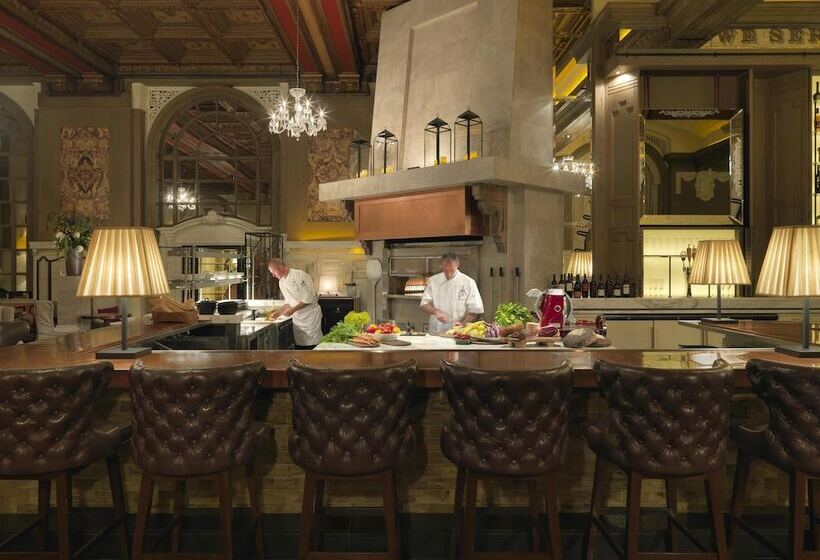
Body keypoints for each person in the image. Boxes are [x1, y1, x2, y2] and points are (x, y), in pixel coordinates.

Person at [420, 253, 484, 335]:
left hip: (458, 330)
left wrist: (463, 324)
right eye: (445, 270)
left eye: (452, 270)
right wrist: (436, 311)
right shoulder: (433, 280)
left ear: (458, 265)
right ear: (441, 266)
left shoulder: (468, 282)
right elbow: (424, 304)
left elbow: (475, 310)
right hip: (436, 330)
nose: (449, 274)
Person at [267, 259, 323, 349]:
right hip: (298, 317)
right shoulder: (281, 282)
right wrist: (278, 313)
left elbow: (310, 298)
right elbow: (288, 302)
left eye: (274, 272)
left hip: (310, 316)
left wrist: (292, 310)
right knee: (300, 345)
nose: (273, 275)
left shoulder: (299, 275)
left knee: (313, 344)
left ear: (280, 267)